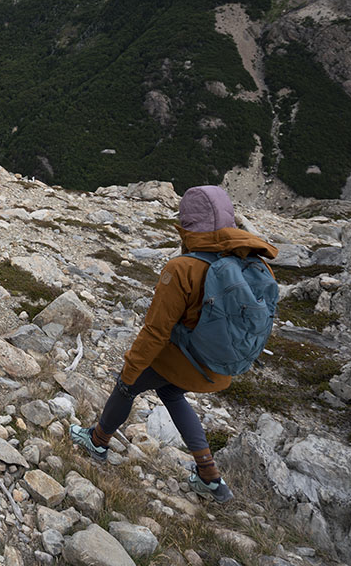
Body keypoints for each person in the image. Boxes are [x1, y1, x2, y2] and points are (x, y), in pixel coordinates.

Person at [69, 185, 278, 503]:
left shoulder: (182, 269)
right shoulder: (248, 260)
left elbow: (155, 332)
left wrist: (130, 367)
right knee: (169, 390)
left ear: (188, 223)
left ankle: (97, 441)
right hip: (221, 366)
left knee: (128, 385)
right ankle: (210, 477)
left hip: (187, 360)